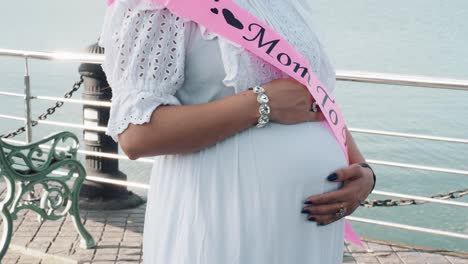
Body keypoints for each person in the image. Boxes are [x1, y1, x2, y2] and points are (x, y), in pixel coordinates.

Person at [99, 0, 375, 263]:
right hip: (222, 218)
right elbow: (136, 135)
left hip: (308, 231)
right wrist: (260, 104)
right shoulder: (154, 6)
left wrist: (361, 169)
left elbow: (310, 98)